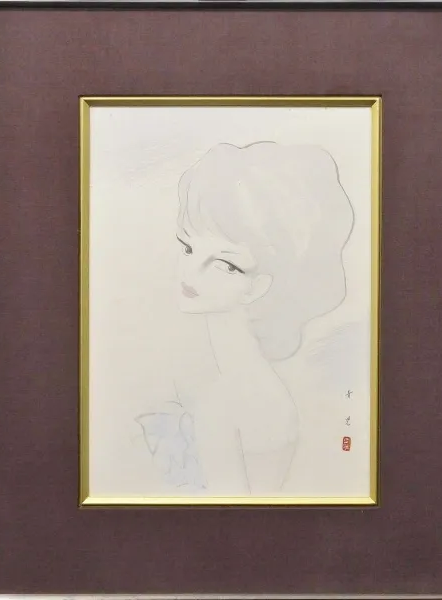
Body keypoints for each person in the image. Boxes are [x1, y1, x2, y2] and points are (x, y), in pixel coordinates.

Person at [137, 141, 354, 495]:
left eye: (226, 264)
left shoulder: (226, 403)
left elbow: (228, 513)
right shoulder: (258, 389)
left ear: (259, 286)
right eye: (188, 247)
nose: (191, 271)